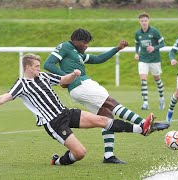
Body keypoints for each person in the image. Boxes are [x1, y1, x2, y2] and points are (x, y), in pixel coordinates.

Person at [0, 53, 165, 166]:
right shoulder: (21, 84)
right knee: (80, 153)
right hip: (54, 123)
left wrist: (73, 74)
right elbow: (3, 97)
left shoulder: (42, 76)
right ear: (27, 68)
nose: (38, 68)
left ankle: (142, 129)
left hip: (65, 112)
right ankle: (58, 161)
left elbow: (62, 80)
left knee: (101, 120)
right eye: (35, 66)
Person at [44, 28, 169, 164]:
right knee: (111, 102)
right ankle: (143, 124)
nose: (87, 46)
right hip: (81, 84)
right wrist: (65, 78)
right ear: (76, 41)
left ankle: (109, 155)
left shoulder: (78, 54)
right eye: (84, 43)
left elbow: (98, 59)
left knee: (107, 116)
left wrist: (117, 48)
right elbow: (48, 64)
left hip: (79, 88)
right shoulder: (65, 46)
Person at [135, 13, 165, 110]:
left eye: (145, 20)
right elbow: (137, 44)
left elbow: (163, 43)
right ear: (139, 21)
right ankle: (145, 103)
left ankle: (161, 98)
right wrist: (136, 53)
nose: (144, 22)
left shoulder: (154, 31)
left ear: (148, 21)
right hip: (143, 59)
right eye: (142, 21)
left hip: (154, 59)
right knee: (143, 79)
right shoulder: (138, 33)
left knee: (157, 79)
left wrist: (154, 47)